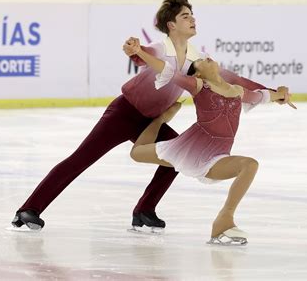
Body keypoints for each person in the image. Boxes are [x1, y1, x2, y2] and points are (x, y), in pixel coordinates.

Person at [11, 0, 281, 232]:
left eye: (192, 15)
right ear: (171, 24)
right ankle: (29, 209)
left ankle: (144, 211)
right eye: (185, 15)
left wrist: (274, 92)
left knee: (177, 156)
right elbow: (144, 55)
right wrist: (135, 51)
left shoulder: (195, 57)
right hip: (123, 113)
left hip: (151, 120)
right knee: (81, 158)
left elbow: (236, 81)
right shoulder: (161, 48)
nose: (192, 19)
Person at [125, 38, 295, 244]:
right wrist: (140, 53)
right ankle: (160, 119)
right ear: (197, 73)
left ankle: (224, 221)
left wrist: (281, 93)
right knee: (137, 153)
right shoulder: (198, 85)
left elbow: (263, 96)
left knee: (249, 165)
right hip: (192, 147)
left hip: (217, 155)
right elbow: (166, 70)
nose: (207, 58)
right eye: (202, 61)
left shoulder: (238, 91)